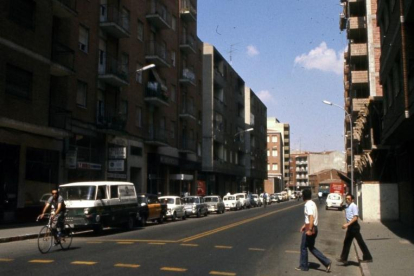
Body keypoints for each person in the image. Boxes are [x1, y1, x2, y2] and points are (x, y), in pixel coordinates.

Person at [296, 189, 331, 272]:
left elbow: (311, 217)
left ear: (303, 196)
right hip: (313, 226)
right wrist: (304, 226)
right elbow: (311, 218)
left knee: (303, 247)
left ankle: (304, 266)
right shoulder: (313, 203)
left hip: (311, 228)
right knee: (311, 247)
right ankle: (326, 262)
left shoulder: (308, 205)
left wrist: (309, 229)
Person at [337, 193, 373, 265]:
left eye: (348, 199)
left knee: (360, 242)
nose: (347, 200)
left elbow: (355, 217)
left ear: (352, 199)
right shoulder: (348, 205)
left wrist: (347, 224)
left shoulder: (354, 206)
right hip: (351, 227)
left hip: (354, 227)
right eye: (346, 199)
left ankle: (368, 257)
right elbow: (342, 207)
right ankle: (344, 258)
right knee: (347, 242)